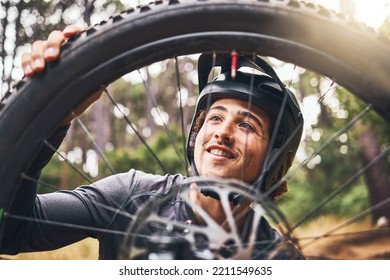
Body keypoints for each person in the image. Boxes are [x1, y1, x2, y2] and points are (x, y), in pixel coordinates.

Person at [0, 27, 304, 260]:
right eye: (214, 118)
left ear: (274, 158)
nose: (222, 132)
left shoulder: (279, 259)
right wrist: (49, 120)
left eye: (246, 124)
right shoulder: (131, 196)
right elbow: (12, 232)